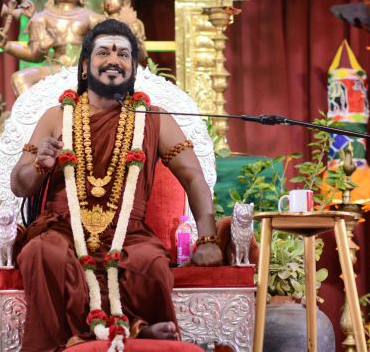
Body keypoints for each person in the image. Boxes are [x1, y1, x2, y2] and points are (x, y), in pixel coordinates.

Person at [11, 19, 222, 351]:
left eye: (124, 54)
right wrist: (40, 164)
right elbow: (19, 186)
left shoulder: (153, 118)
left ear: (133, 68)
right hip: (63, 228)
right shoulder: (56, 116)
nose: (114, 60)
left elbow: (193, 176)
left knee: (149, 264)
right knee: (41, 253)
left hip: (129, 233)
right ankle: (69, 342)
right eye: (104, 52)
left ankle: (134, 330)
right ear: (85, 66)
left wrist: (208, 239)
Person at [0, 0, 104, 95]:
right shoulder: (41, 18)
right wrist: (7, 46)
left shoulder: (92, 18)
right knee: (19, 78)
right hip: (57, 68)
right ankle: (34, 109)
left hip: (85, 68)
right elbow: (34, 55)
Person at [102, 0, 148, 65]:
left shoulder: (135, 23)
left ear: (126, 2)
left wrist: (135, 35)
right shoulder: (98, 21)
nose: (109, 1)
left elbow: (142, 55)